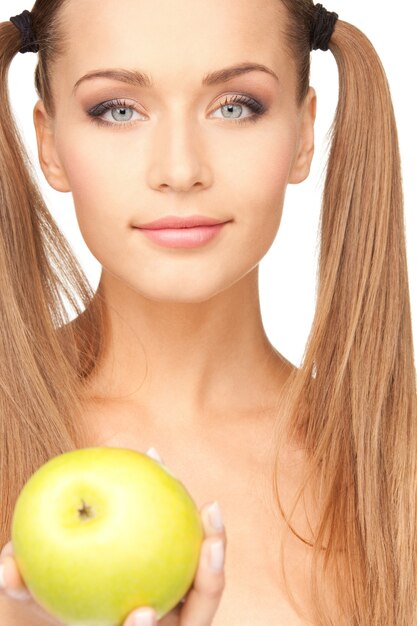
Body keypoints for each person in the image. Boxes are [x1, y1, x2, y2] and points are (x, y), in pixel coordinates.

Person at [0, 1, 416, 625]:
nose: (180, 171)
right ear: (50, 144)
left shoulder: (398, 469)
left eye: (234, 106)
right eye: (117, 110)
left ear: (304, 133)